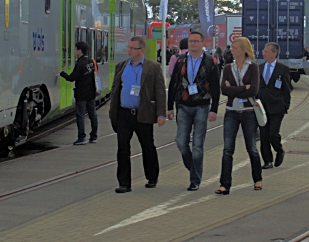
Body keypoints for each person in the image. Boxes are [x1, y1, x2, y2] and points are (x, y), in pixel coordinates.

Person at [108, 35, 167, 193]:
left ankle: (152, 177)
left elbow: (160, 91)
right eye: (128, 47)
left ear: (141, 50)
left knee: (147, 146)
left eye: (132, 48)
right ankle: (124, 183)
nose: (129, 51)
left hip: (143, 114)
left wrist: (161, 113)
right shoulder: (121, 66)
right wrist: (112, 111)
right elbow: (115, 90)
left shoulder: (153, 67)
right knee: (122, 148)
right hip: (124, 113)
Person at [167, 31, 220, 191]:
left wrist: (214, 109)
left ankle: (195, 180)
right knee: (181, 142)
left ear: (203, 43)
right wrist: (169, 106)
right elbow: (174, 84)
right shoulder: (181, 60)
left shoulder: (210, 61)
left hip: (202, 106)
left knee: (198, 145)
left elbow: (216, 87)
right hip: (183, 105)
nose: (193, 44)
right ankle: (192, 166)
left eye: (196, 41)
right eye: (191, 41)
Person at [217, 37, 263, 194]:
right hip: (231, 111)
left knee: (251, 148)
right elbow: (224, 90)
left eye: (235, 47)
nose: (232, 50)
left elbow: (253, 91)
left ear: (244, 50)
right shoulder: (228, 68)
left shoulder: (253, 68)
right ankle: (225, 184)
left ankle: (257, 179)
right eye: (232, 47)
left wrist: (234, 88)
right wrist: (243, 87)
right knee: (227, 149)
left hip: (248, 112)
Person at [258, 42, 292, 169]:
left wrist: (285, 105)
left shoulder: (282, 69)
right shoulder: (259, 68)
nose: (263, 53)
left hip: (277, 107)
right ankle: (267, 160)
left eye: (266, 51)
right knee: (263, 135)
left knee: (273, 134)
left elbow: (287, 89)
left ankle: (279, 150)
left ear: (274, 53)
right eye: (264, 51)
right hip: (262, 107)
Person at [60, 40, 99, 145]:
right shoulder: (92, 61)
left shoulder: (80, 64)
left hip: (81, 94)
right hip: (91, 93)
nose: (74, 51)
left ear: (80, 51)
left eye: (75, 49)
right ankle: (94, 136)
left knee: (81, 116)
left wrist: (62, 74)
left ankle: (82, 137)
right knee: (93, 115)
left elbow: (72, 78)